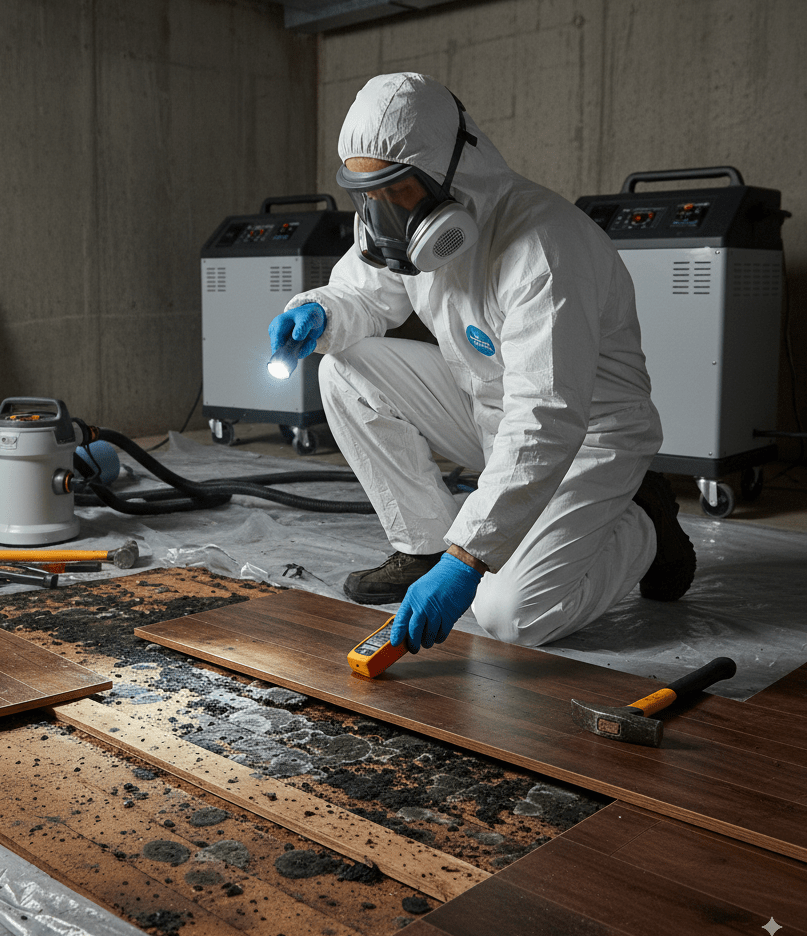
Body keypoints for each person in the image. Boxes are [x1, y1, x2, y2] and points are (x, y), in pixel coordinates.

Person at [268, 72, 696, 653]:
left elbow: (545, 416)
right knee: (344, 368)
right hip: (490, 413)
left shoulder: (544, 248)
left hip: (587, 438)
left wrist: (467, 558)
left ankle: (646, 521)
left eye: (395, 191)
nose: (380, 215)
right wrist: (319, 310)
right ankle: (422, 546)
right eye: (367, 195)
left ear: (448, 173)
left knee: (512, 615)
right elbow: (364, 293)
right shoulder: (404, 219)